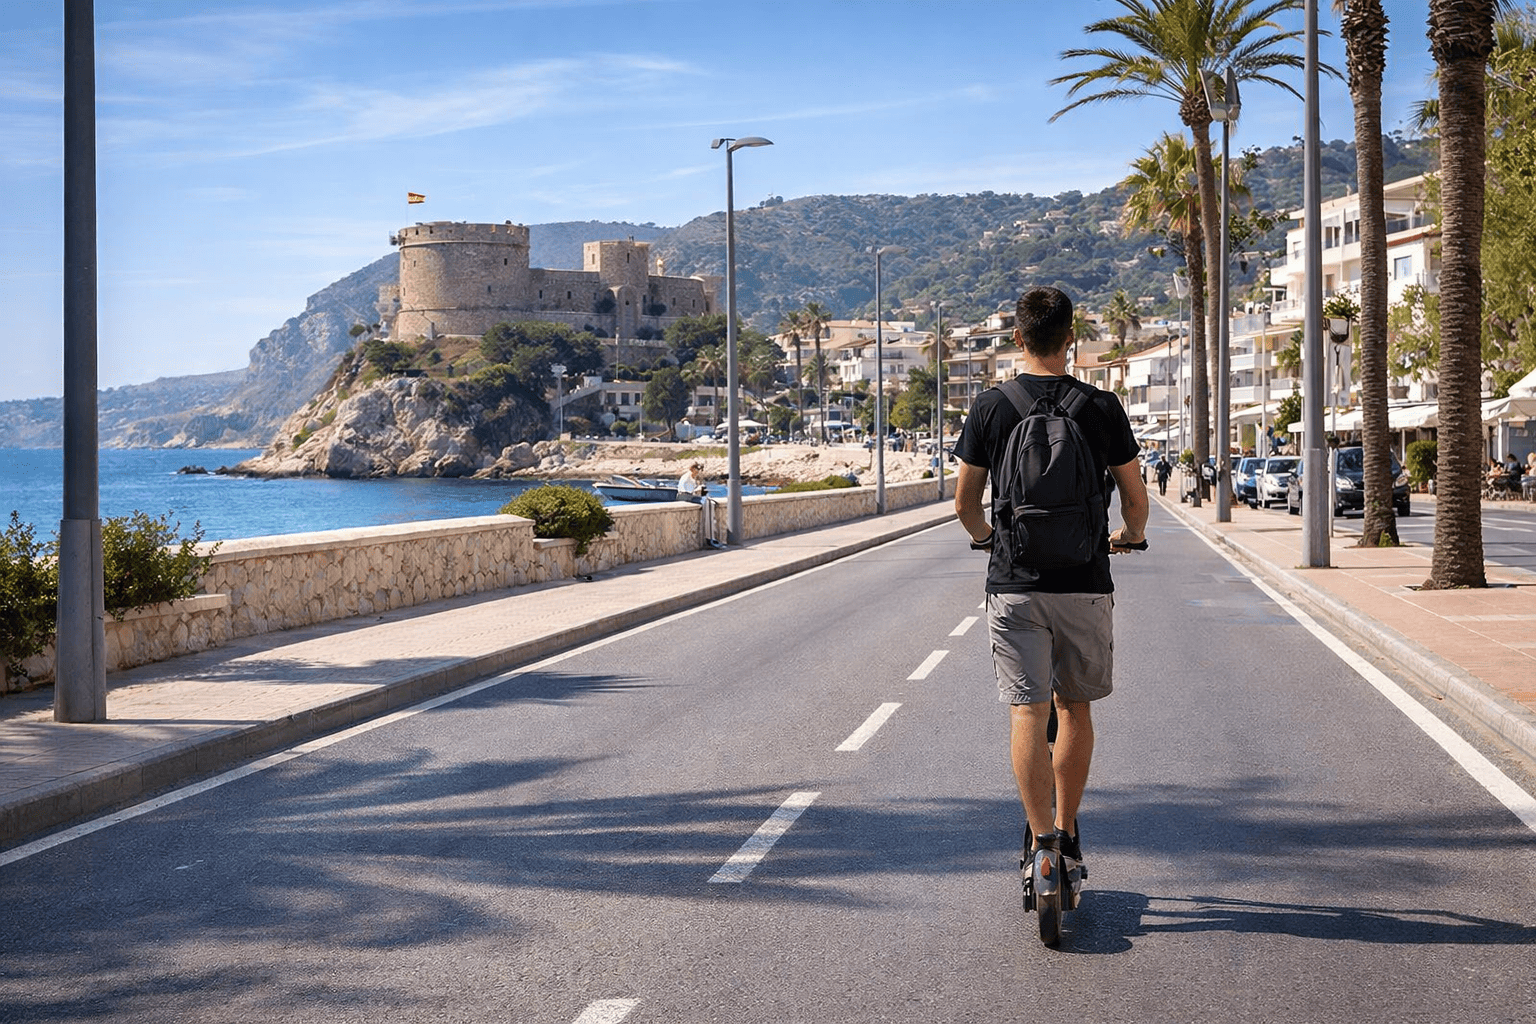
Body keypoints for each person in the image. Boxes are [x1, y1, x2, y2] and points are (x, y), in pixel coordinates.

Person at [953, 286, 1149, 896]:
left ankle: (1038, 845)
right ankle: (1067, 832)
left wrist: (989, 537)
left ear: (1017, 338)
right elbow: (1136, 500)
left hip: (1015, 582)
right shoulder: (1101, 406)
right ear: (1072, 337)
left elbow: (964, 503)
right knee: (1074, 709)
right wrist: (1129, 536)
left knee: (1026, 711)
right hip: (1085, 580)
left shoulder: (990, 407)